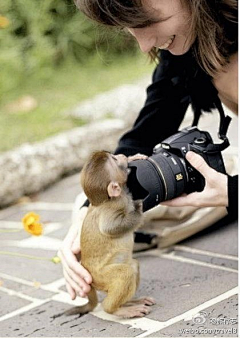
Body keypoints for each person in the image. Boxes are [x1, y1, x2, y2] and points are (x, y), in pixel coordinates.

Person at [58, 0, 238, 300]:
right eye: (130, 28)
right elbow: (146, 132)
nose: (144, 46)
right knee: (138, 206)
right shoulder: (192, 37)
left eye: (145, 22)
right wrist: (90, 214)